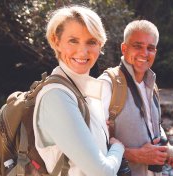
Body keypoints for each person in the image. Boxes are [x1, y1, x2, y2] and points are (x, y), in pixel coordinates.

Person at [33, 5, 124, 176]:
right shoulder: (56, 96)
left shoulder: (86, 92)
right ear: (56, 41)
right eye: (73, 40)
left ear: (100, 45)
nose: (83, 52)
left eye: (91, 42)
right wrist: (118, 148)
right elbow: (102, 172)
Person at [99, 20, 173, 176]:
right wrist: (134, 155)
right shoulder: (107, 85)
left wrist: (168, 151)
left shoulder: (151, 84)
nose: (144, 53)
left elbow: (155, 128)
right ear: (124, 48)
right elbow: (90, 145)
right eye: (138, 46)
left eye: (150, 48)